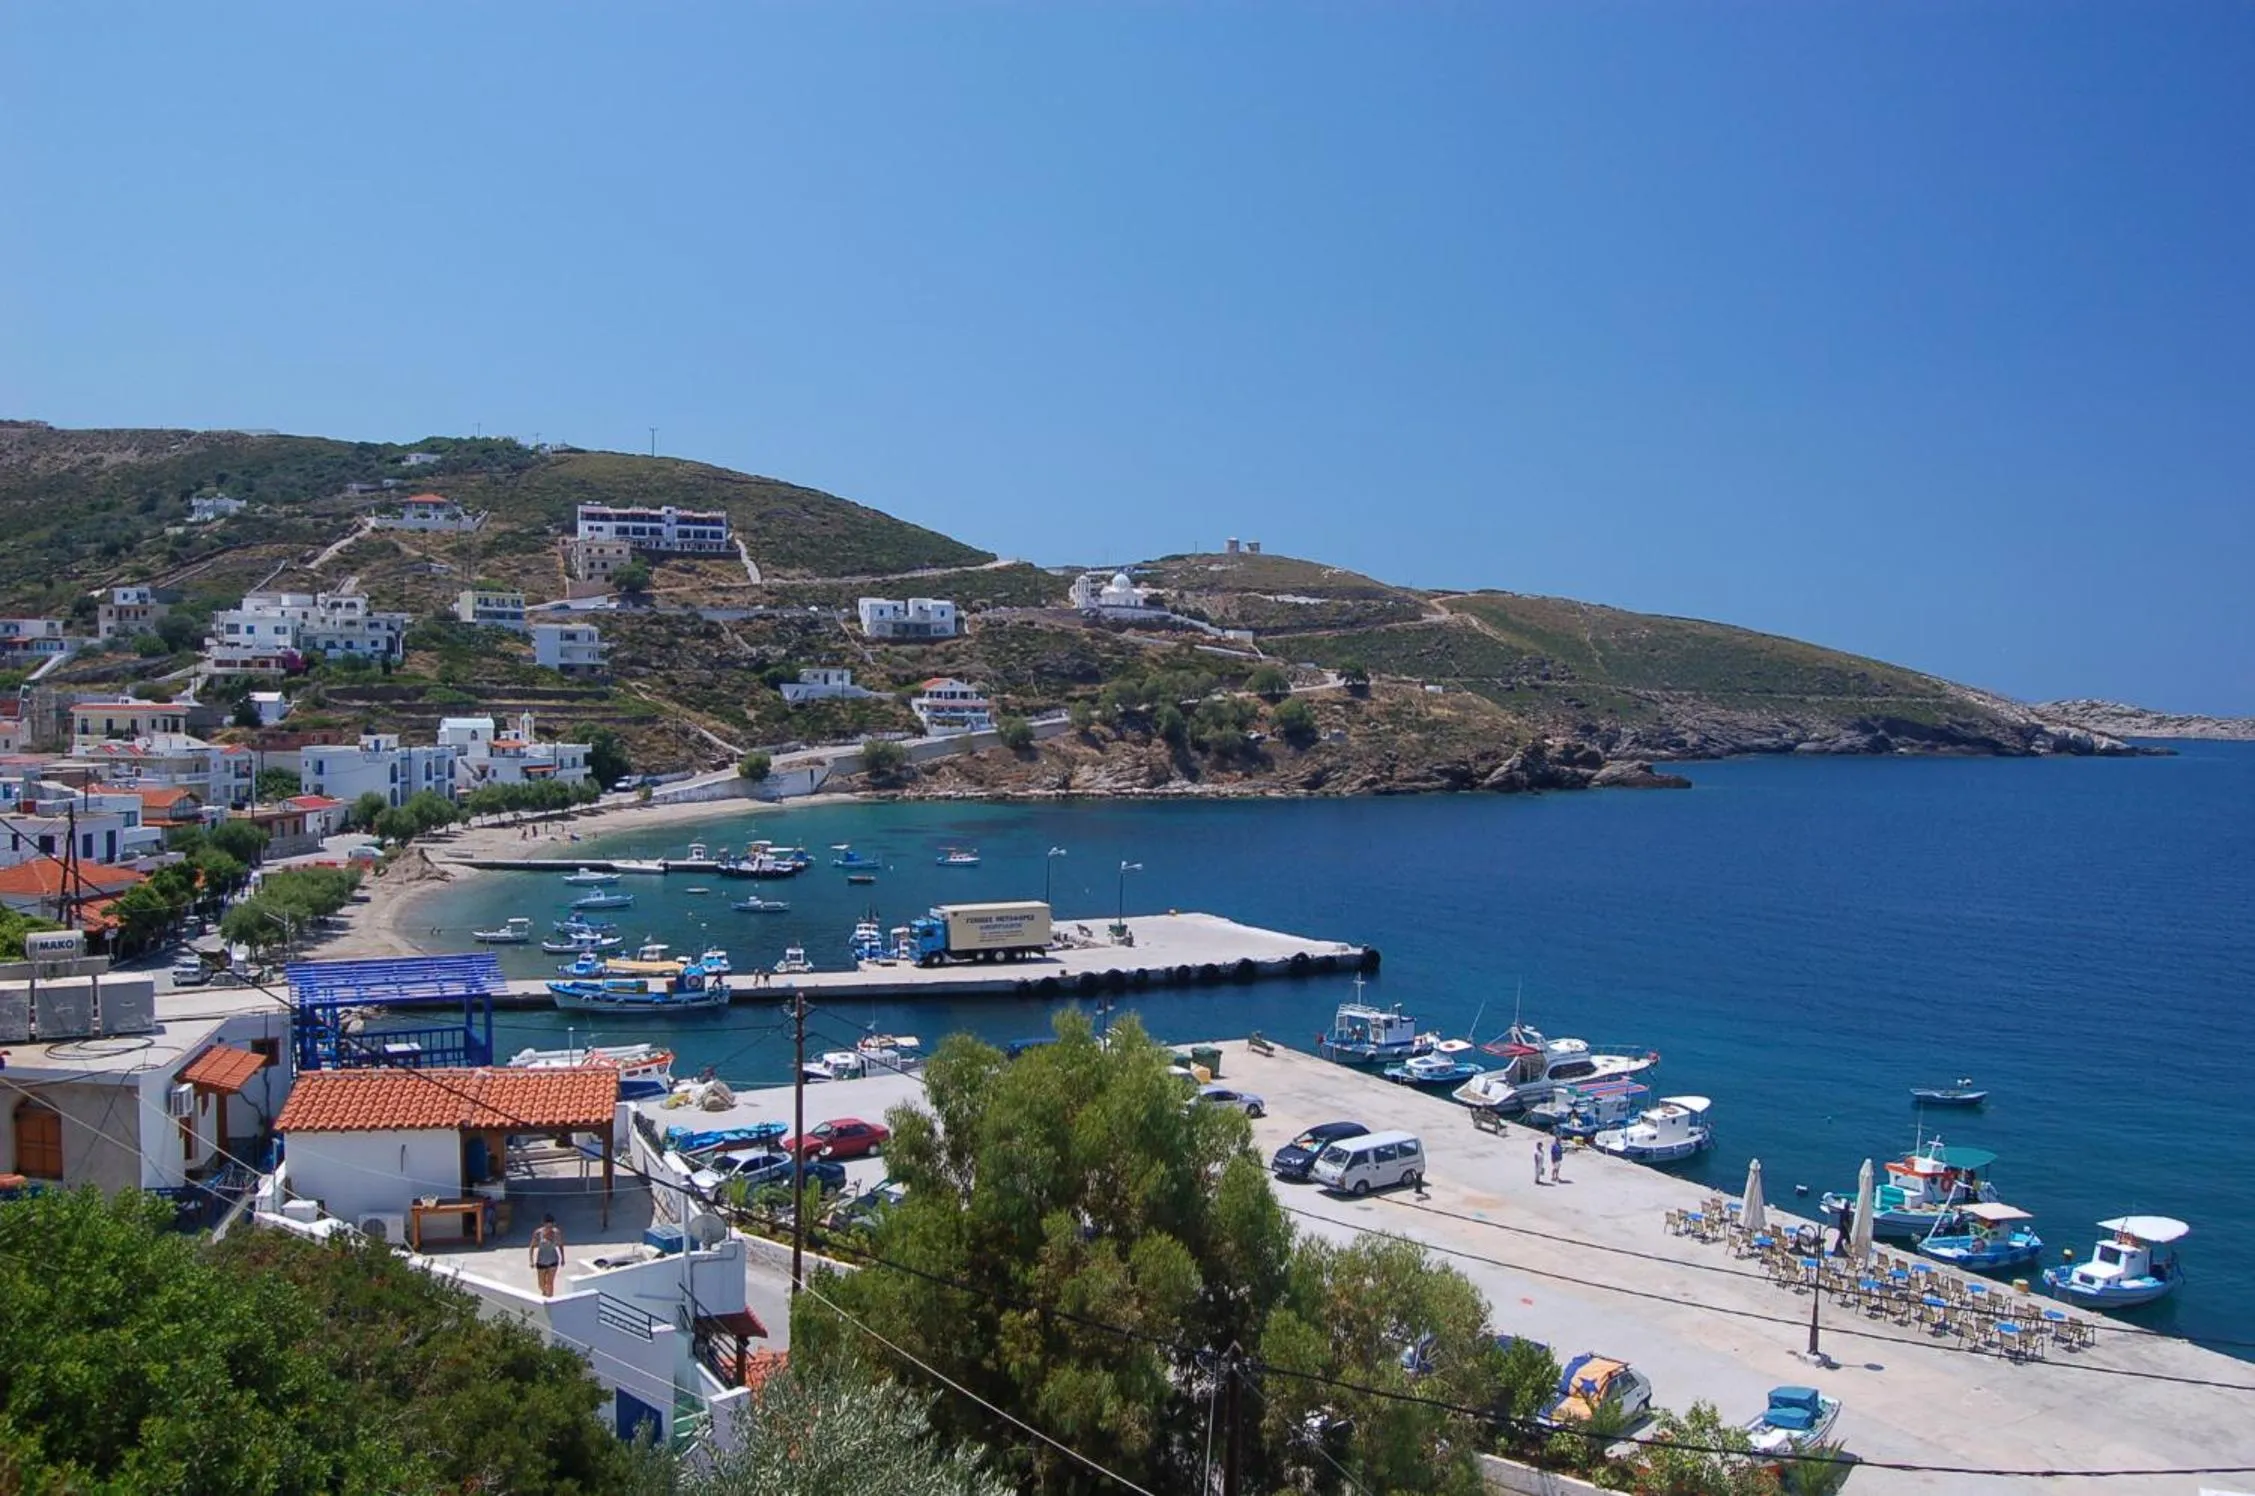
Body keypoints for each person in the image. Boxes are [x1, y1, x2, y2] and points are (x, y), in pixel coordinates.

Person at [530, 1214, 565, 1296]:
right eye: (548, 1226)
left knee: (550, 1283)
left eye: (551, 1226)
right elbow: (532, 1246)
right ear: (544, 1224)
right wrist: (531, 1260)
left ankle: (550, 1299)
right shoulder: (538, 1233)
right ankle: (545, 1292)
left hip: (553, 1260)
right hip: (541, 1261)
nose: (549, 1228)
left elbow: (560, 1245)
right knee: (541, 1285)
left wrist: (563, 1258)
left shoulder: (556, 1233)